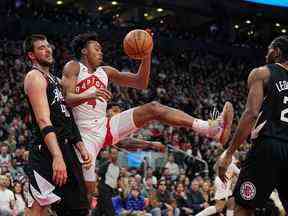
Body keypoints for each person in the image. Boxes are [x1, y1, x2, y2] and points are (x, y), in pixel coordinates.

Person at [61, 32, 234, 199]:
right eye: (96, 48)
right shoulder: (74, 66)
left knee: (154, 108)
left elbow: (140, 82)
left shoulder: (106, 71)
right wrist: (90, 95)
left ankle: (211, 129)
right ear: (84, 50)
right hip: (83, 135)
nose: (101, 52)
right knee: (88, 192)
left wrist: (147, 54)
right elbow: (67, 99)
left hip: (105, 127)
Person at [218, 35, 288, 215]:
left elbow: (251, 113)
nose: (266, 55)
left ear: (276, 52)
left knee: (243, 206)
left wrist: (229, 152)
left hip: (268, 146)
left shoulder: (262, 73)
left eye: (269, 50)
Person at [23, 34, 92, 216]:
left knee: (79, 208)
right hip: (47, 152)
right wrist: (57, 156)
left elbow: (66, 116)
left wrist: (80, 144)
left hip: (66, 149)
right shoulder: (35, 77)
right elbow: (43, 120)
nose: (48, 50)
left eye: (48, 46)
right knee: (37, 210)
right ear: (31, 55)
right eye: (41, 48)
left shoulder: (55, 80)